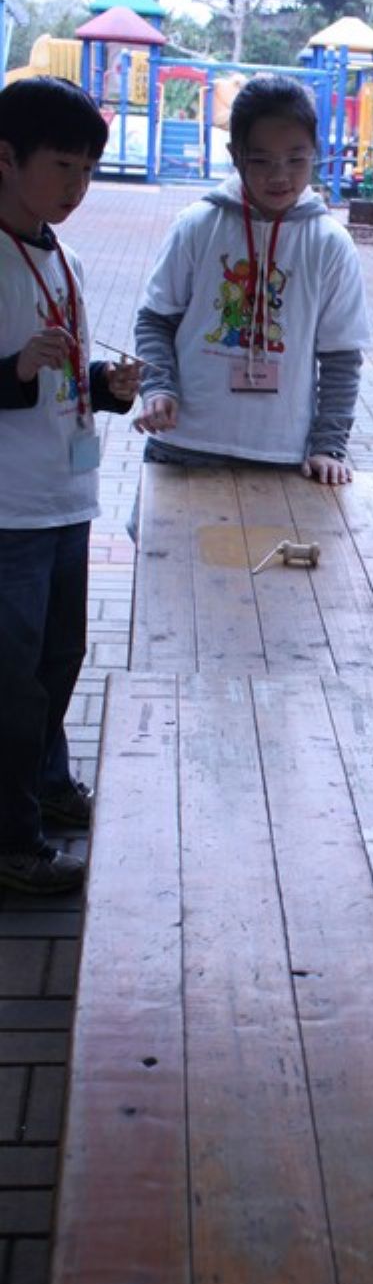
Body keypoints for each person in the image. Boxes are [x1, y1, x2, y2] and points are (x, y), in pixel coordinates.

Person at [0, 77, 140, 894]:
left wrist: (106, 388)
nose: (77, 186)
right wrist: (14, 371)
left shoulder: (69, 260)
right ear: (6, 158)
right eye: (62, 166)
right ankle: (12, 844)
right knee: (9, 686)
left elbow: (61, 380)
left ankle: (48, 788)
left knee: (59, 661)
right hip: (8, 513)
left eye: (89, 169)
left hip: (66, 500)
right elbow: (21, 372)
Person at [133, 73, 368, 494]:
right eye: (261, 160)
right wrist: (158, 387)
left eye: (296, 159)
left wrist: (329, 446)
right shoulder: (197, 225)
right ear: (235, 155)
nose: (280, 176)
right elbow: (155, 320)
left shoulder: (330, 243)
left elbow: (341, 357)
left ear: (315, 152)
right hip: (183, 444)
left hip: (281, 455)